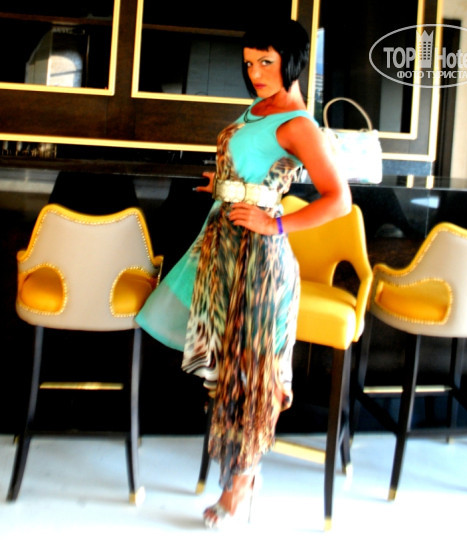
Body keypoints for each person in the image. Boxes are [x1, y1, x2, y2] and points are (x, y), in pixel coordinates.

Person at [135, 18, 352, 528]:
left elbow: (339, 200)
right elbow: (258, 168)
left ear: (292, 61)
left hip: (259, 260)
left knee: (252, 374)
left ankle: (242, 483)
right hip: (222, 249)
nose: (255, 73)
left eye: (266, 62)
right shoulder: (260, 107)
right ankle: (240, 477)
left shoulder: (299, 123)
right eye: (249, 63)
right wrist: (225, 183)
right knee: (224, 369)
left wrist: (275, 223)